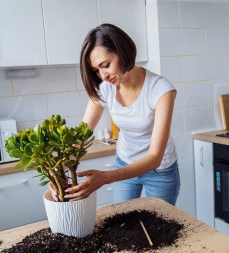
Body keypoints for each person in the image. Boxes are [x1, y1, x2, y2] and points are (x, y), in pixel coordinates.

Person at [63, 23, 180, 205]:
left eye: (106, 65)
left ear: (122, 51)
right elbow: (80, 138)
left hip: (160, 170)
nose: (103, 75)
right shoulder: (105, 89)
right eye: (96, 70)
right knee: (123, 222)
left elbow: (154, 158)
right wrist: (57, 171)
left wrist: (106, 177)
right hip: (124, 163)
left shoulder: (161, 90)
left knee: (160, 226)